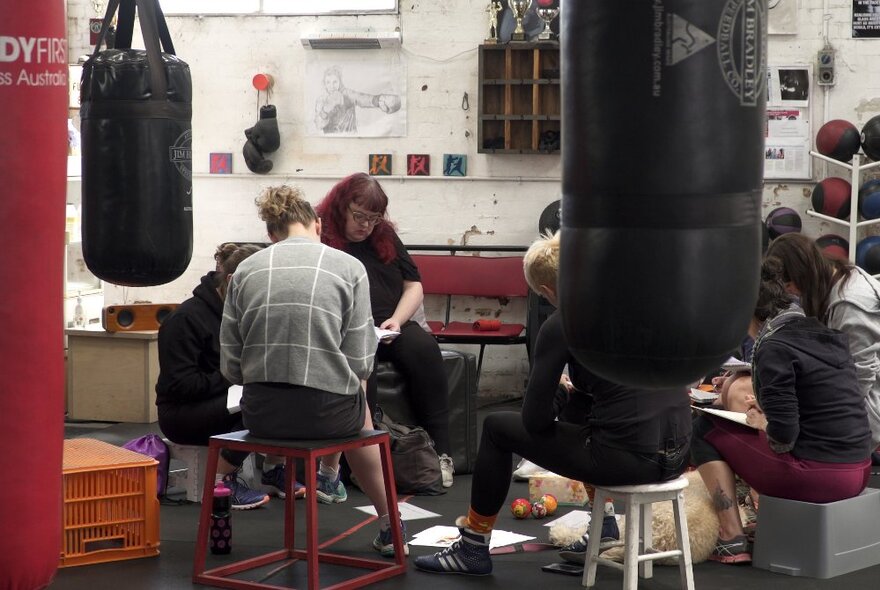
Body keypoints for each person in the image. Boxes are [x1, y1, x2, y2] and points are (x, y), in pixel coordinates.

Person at [413, 231, 692, 576]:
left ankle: (472, 546)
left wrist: (558, 390)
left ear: (546, 291)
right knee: (582, 402)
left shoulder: (564, 322)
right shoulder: (640, 303)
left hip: (629, 461)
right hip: (679, 453)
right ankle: (603, 525)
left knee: (497, 428)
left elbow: (535, 421)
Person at [219, 185, 406, 556]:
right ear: (318, 224)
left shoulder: (244, 271)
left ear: (272, 234)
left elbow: (231, 366)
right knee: (361, 404)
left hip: (263, 419)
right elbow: (361, 362)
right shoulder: (349, 267)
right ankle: (388, 522)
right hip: (329, 420)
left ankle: (321, 478)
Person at [691, 256, 874, 565]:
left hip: (821, 477)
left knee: (704, 430)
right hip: (860, 469)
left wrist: (762, 423)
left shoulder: (773, 346)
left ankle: (731, 537)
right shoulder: (823, 332)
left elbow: (783, 437)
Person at [315, 172, 455, 488]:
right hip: (346, 328)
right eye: (359, 216)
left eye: (373, 219)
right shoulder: (322, 236)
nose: (366, 225)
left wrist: (397, 319)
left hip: (390, 323)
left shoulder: (385, 236)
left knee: (424, 350)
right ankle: (363, 464)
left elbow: (414, 284)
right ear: (341, 207)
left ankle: (441, 453)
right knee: (365, 366)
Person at [157, 243, 299, 510]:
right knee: (260, 406)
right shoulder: (184, 321)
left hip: (227, 400)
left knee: (284, 396)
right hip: (182, 413)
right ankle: (221, 482)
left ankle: (273, 469)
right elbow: (180, 385)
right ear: (234, 282)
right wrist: (236, 375)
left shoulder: (247, 313)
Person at [765, 233, 880, 451]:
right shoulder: (836, 279)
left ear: (800, 275)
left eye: (789, 286)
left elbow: (860, 381)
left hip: (869, 410)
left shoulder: (851, 305)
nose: (789, 292)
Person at [314, 66, 401, 134]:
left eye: (335, 82)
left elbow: (362, 98)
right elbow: (318, 125)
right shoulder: (321, 100)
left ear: (340, 82)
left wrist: (379, 100)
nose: (331, 86)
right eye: (328, 82)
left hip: (352, 139)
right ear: (324, 84)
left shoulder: (347, 94)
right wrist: (325, 110)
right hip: (332, 143)